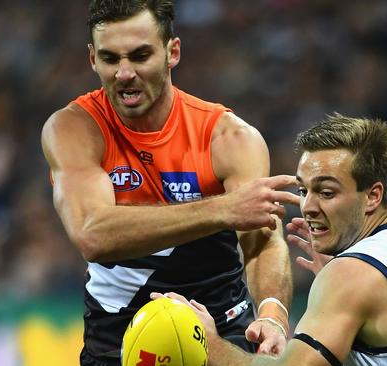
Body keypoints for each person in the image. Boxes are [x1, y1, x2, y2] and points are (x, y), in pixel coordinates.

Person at [40, 1, 299, 365]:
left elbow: (262, 241)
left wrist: (273, 313)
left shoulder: (229, 138)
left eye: (140, 55)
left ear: (172, 52)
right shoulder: (73, 129)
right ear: (92, 60)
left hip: (221, 336)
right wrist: (223, 208)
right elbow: (92, 234)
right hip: (118, 344)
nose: (124, 73)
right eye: (111, 58)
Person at [157, 113, 387, 365]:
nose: (307, 206)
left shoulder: (353, 274)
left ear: (373, 195)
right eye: (303, 190)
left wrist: (211, 346)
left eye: (326, 192)